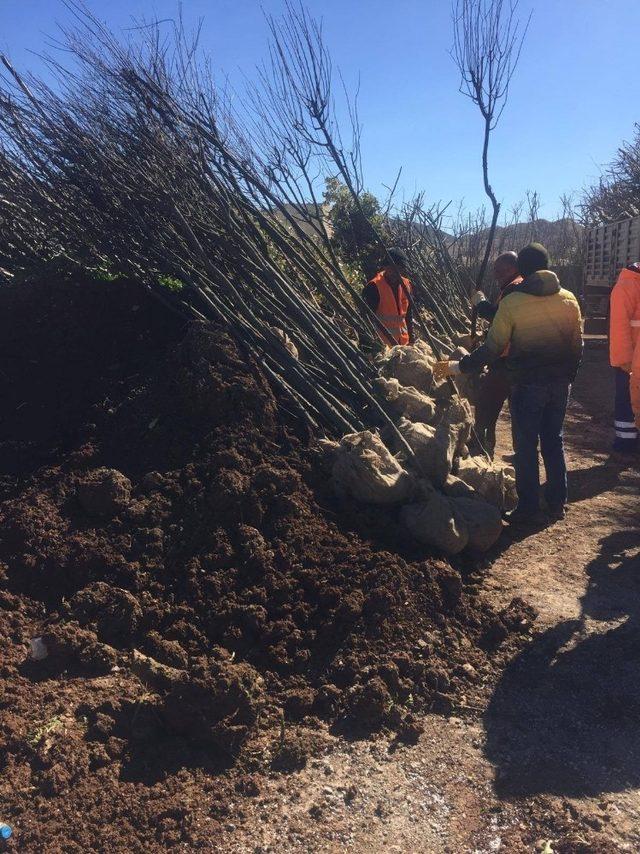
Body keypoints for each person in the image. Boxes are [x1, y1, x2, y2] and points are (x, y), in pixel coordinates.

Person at [434, 243, 583, 525]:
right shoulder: (569, 299)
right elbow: (578, 346)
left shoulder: (514, 302)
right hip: (560, 385)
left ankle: (527, 507)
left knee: (526, 445)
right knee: (554, 441)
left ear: (521, 270)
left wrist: (460, 366)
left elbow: (492, 348)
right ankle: (557, 502)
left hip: (527, 385)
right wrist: (568, 377)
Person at [470, 251, 523, 458]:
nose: (496, 275)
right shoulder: (516, 286)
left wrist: (481, 304)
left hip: (505, 360)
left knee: (487, 405)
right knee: (518, 411)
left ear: (511, 268)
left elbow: (497, 316)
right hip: (516, 358)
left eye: (499, 270)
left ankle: (483, 447)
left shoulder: (514, 287)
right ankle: (521, 452)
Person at [609, 262, 640, 454]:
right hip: (630, 361)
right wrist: (623, 360)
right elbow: (619, 326)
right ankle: (625, 443)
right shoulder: (627, 285)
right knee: (625, 399)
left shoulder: (628, 283)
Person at [362, 248, 414, 346]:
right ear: (385, 267)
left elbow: (408, 316)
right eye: (392, 268)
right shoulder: (373, 287)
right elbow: (366, 320)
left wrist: (411, 341)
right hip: (383, 348)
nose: (396, 272)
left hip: (403, 345)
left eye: (399, 269)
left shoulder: (407, 285)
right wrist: (371, 347)